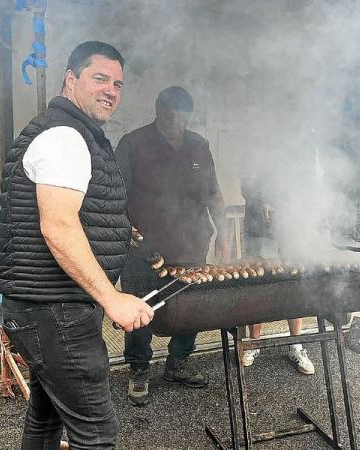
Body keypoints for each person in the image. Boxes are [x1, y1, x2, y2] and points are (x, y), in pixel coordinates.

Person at [0, 41, 154, 449]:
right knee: (96, 434)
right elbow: (59, 228)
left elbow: (75, 214)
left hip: (45, 307)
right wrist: (113, 298)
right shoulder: (64, 136)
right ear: (71, 78)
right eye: (99, 78)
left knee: (46, 416)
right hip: (55, 311)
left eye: (117, 83)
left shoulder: (69, 131)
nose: (111, 91)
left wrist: (118, 232)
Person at [116, 86, 230, 406]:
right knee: (141, 307)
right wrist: (124, 233)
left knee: (188, 307)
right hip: (144, 249)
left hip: (192, 243)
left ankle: (178, 363)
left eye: (181, 117)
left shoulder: (199, 145)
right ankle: (139, 368)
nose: (174, 122)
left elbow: (213, 192)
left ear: (188, 116)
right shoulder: (132, 144)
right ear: (157, 110)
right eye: (168, 115)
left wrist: (223, 232)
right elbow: (116, 197)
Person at [239, 153, 315, 375]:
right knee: (259, 284)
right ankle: (254, 343)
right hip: (258, 229)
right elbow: (245, 186)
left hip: (290, 229)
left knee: (293, 282)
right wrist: (261, 200)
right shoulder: (255, 151)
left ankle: (296, 345)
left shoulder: (296, 152)